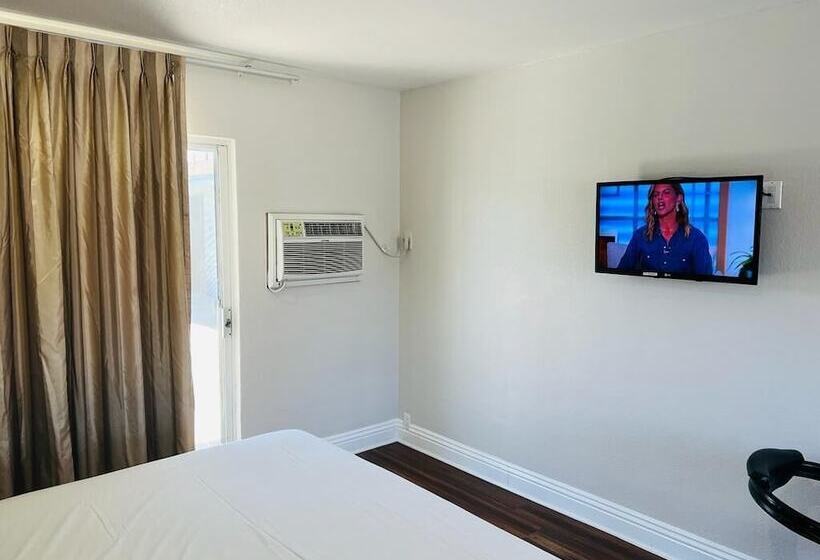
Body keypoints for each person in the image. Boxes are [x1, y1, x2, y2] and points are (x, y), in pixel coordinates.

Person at [617, 182, 713, 275]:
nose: (660, 198)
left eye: (666, 193)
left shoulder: (696, 239)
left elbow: (706, 280)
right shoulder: (640, 236)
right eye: (656, 195)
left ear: (678, 198)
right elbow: (621, 273)